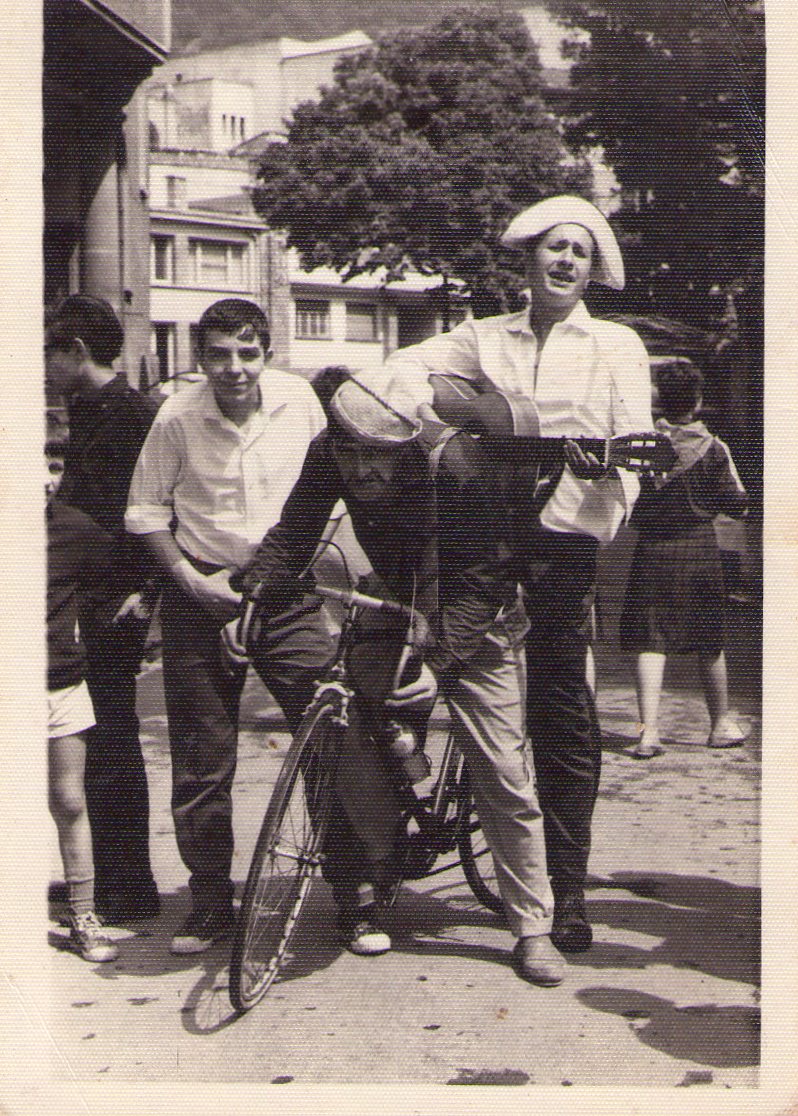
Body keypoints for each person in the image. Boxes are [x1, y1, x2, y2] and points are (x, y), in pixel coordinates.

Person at [367, 195, 653, 952]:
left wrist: (600, 487)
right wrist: (432, 420)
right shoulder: (484, 337)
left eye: (579, 253)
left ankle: (565, 891)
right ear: (526, 261)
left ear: (592, 270)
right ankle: (389, 841)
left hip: (561, 545)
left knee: (561, 711)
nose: (565, 262)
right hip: (479, 534)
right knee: (426, 670)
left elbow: (637, 448)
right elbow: (398, 372)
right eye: (553, 249)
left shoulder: (616, 345)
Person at [232, 374, 565, 986]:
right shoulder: (329, 450)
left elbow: (485, 575)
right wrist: (256, 591)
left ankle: (532, 927)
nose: (361, 469)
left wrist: (438, 666)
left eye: (378, 456)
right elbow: (297, 530)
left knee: (501, 771)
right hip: (394, 602)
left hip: (474, 611)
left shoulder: (460, 465)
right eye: (350, 450)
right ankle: (378, 856)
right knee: (356, 735)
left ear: (408, 444)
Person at [125, 298, 333, 955]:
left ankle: (354, 894)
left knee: (331, 735)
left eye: (247, 353)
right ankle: (210, 901)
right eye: (218, 354)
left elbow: (332, 490)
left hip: (290, 593)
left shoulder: (300, 401)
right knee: (201, 759)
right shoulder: (177, 417)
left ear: (266, 352)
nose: (234, 368)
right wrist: (191, 582)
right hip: (202, 594)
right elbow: (145, 511)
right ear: (199, 358)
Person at [45, 295, 160, 922]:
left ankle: (129, 886)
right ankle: (106, 876)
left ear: (76, 352)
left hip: (114, 604)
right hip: (88, 601)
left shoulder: (128, 416)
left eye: (50, 351)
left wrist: (146, 592)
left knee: (110, 739)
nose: (44, 364)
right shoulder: (93, 409)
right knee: (95, 738)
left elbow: (148, 511)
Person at [619, 362, 749, 757]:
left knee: (650, 640)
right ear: (698, 401)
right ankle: (720, 725)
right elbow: (738, 505)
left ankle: (648, 732)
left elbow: (625, 497)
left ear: (660, 398)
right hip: (700, 550)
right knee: (709, 640)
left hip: (653, 549)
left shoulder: (641, 448)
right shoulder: (714, 448)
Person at [46, 449, 119, 963]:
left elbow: (112, 579)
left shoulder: (75, 529)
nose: (43, 479)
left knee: (70, 800)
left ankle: (82, 912)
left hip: (60, 685)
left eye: (51, 465)